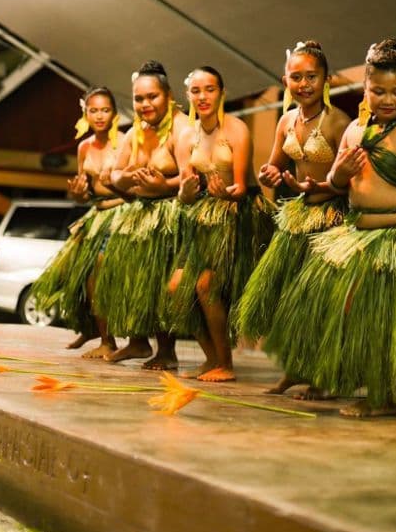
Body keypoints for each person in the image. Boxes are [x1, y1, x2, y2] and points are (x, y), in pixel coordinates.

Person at [266, 38, 396, 417]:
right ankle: (330, 377)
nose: (388, 99)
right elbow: (338, 185)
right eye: (378, 91)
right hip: (355, 236)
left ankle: (381, 398)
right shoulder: (355, 129)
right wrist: (342, 171)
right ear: (365, 89)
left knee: (379, 319)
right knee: (333, 308)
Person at [233, 40, 350, 396]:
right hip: (299, 216)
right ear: (285, 80)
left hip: (332, 217)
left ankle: (323, 374)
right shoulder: (286, 120)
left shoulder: (338, 122)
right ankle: (294, 369)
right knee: (287, 298)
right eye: (296, 77)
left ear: (326, 79)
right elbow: (274, 164)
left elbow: (350, 181)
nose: (304, 84)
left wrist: (321, 186)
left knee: (316, 301)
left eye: (311, 76)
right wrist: (269, 174)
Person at [169, 66, 274, 382]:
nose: (203, 96)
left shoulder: (236, 129)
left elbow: (241, 186)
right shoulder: (186, 137)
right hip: (204, 217)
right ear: (189, 96)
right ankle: (211, 358)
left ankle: (226, 363)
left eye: (209, 89)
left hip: (239, 215)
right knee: (177, 288)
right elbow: (185, 194)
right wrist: (187, 192)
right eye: (196, 90)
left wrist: (226, 192)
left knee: (205, 286)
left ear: (222, 93)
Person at [93, 61, 189, 368]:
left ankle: (166, 350)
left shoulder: (183, 128)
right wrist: (122, 180)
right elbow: (115, 175)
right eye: (139, 99)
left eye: (152, 97)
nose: (145, 104)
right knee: (126, 273)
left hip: (172, 215)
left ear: (168, 95)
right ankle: (136, 342)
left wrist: (164, 185)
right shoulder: (135, 132)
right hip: (137, 213)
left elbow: (189, 178)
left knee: (158, 279)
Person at [32, 87, 126, 357]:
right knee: (77, 275)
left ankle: (113, 340)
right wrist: (78, 194)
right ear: (85, 113)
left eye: (105, 110)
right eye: (93, 110)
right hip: (95, 215)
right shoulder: (84, 147)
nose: (99, 116)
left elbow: (132, 188)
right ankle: (95, 332)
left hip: (122, 213)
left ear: (115, 114)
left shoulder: (125, 142)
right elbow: (84, 193)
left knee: (102, 274)